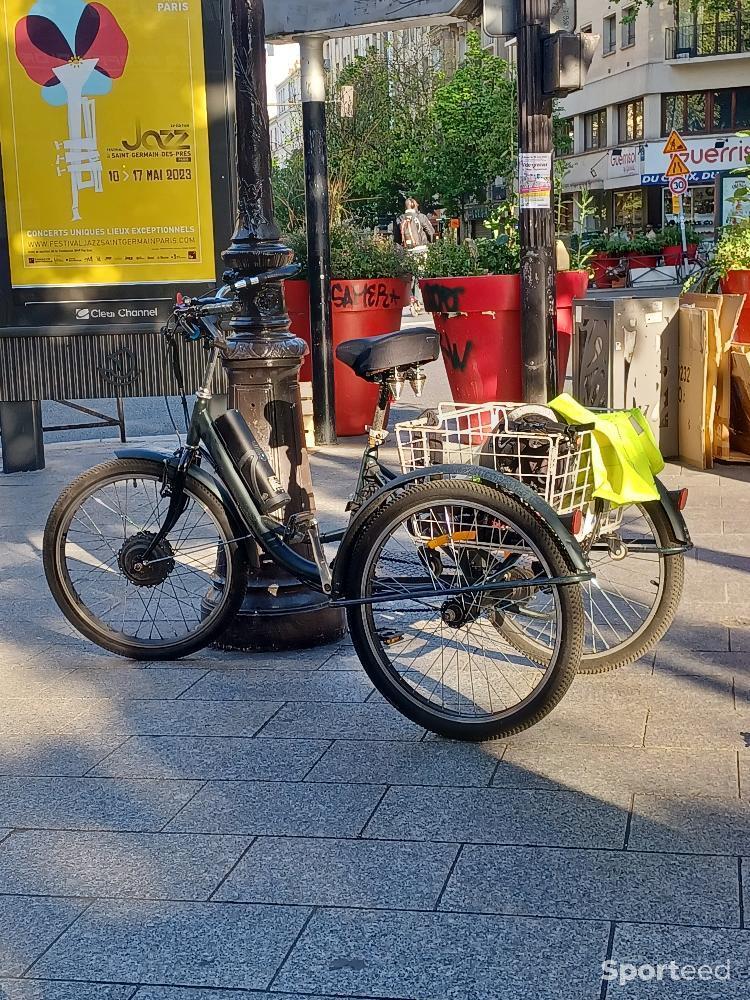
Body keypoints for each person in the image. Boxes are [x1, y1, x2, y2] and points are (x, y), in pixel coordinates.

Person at [397, 198, 435, 316]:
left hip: (407, 251)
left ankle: (412, 298)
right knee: (420, 274)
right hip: (421, 249)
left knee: (410, 275)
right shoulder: (421, 217)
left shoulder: (400, 218)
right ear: (414, 206)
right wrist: (430, 243)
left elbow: (397, 237)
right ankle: (418, 300)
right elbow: (431, 232)